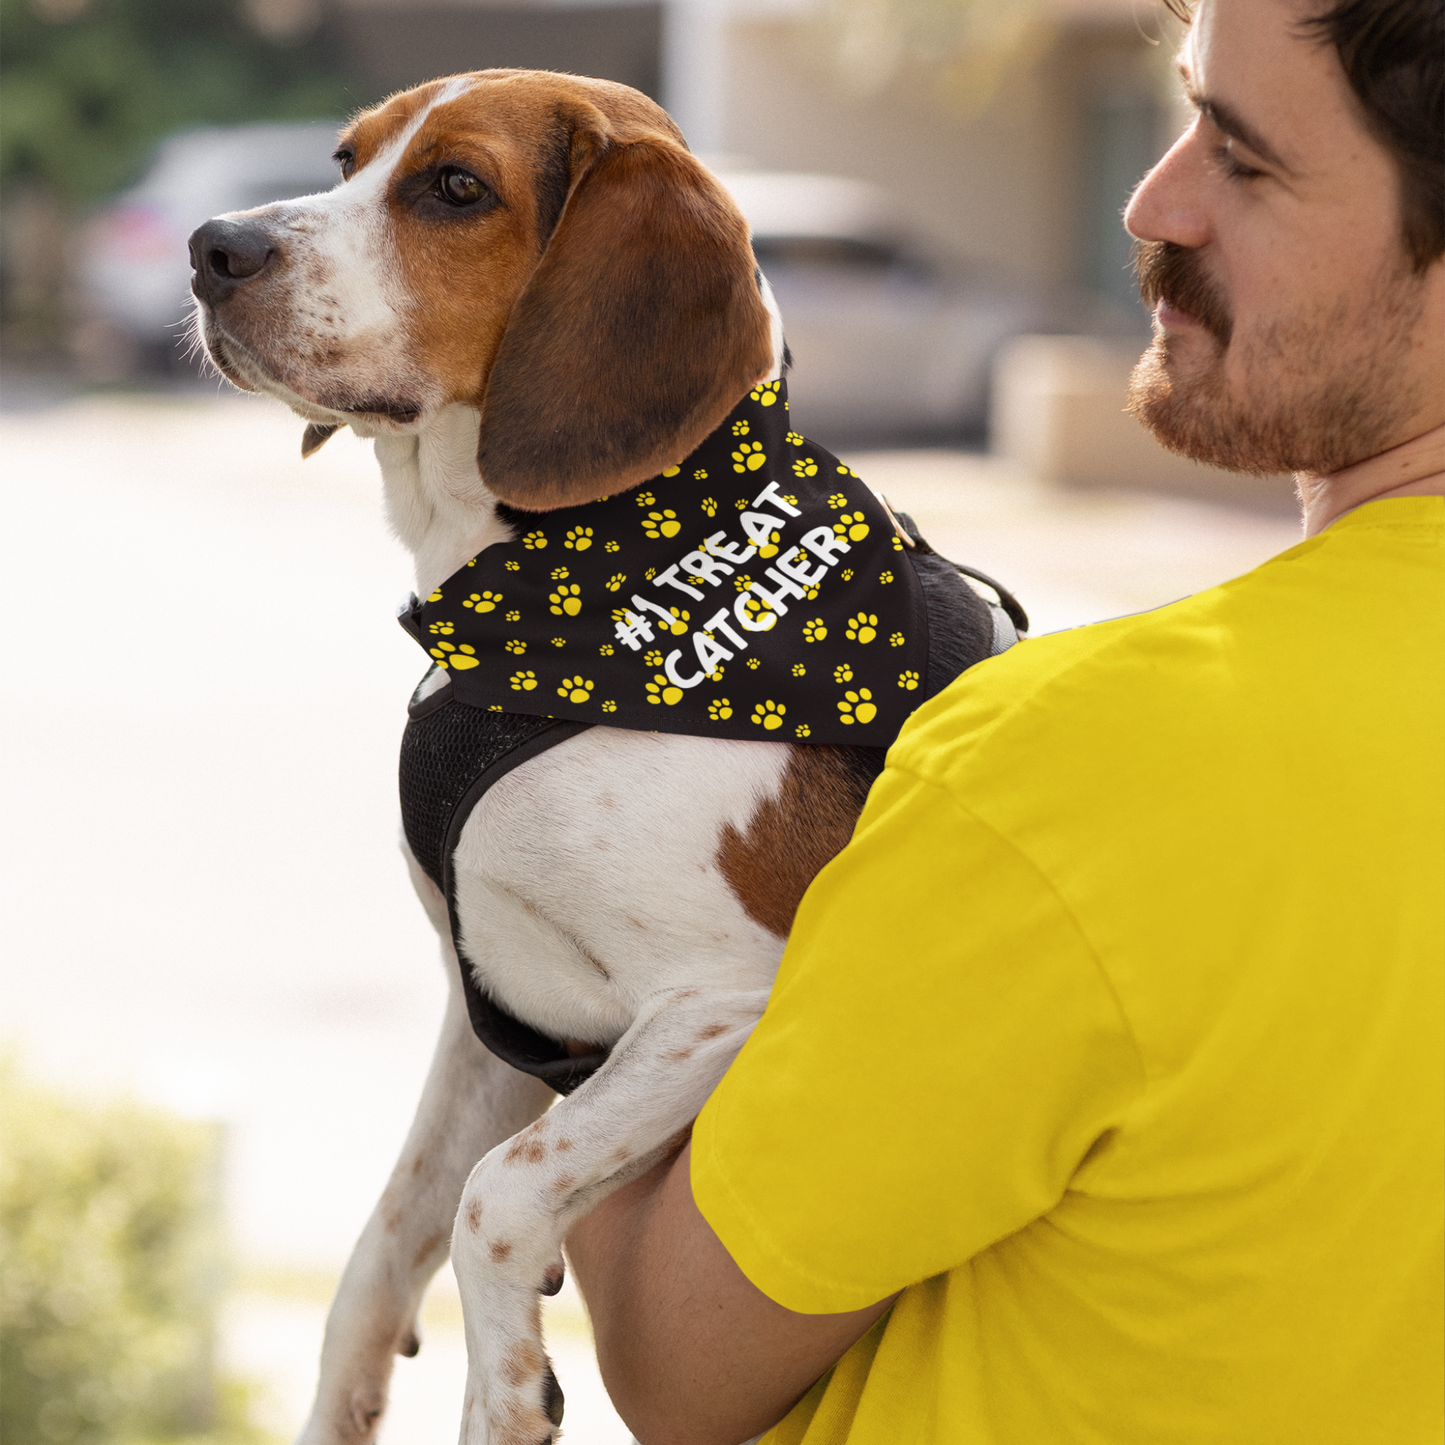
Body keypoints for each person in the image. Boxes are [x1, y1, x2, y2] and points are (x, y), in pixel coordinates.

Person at [565, 0, 1445, 1439]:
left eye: (1243, 154)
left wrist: (568, 860)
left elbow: (674, 1360)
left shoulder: (1088, 763)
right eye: (1182, 113)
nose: (1153, 199)